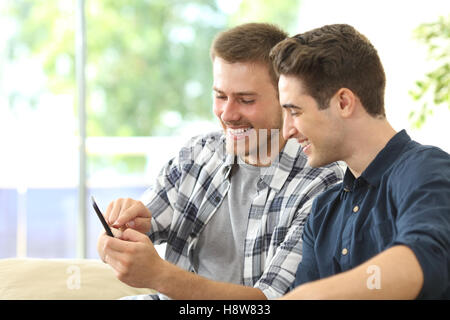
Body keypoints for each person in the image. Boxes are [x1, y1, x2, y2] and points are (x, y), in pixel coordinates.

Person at [96, 23, 344, 300]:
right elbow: (146, 222)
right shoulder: (198, 153)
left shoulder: (321, 183)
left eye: (246, 100)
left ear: (284, 98)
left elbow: (269, 300)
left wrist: (160, 275)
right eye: (220, 96)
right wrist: (124, 227)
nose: (227, 114)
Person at [270, 23, 450, 299]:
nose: (287, 131)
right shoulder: (322, 211)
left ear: (343, 102)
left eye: (295, 111)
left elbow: (424, 261)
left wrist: (312, 296)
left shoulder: (425, 169)